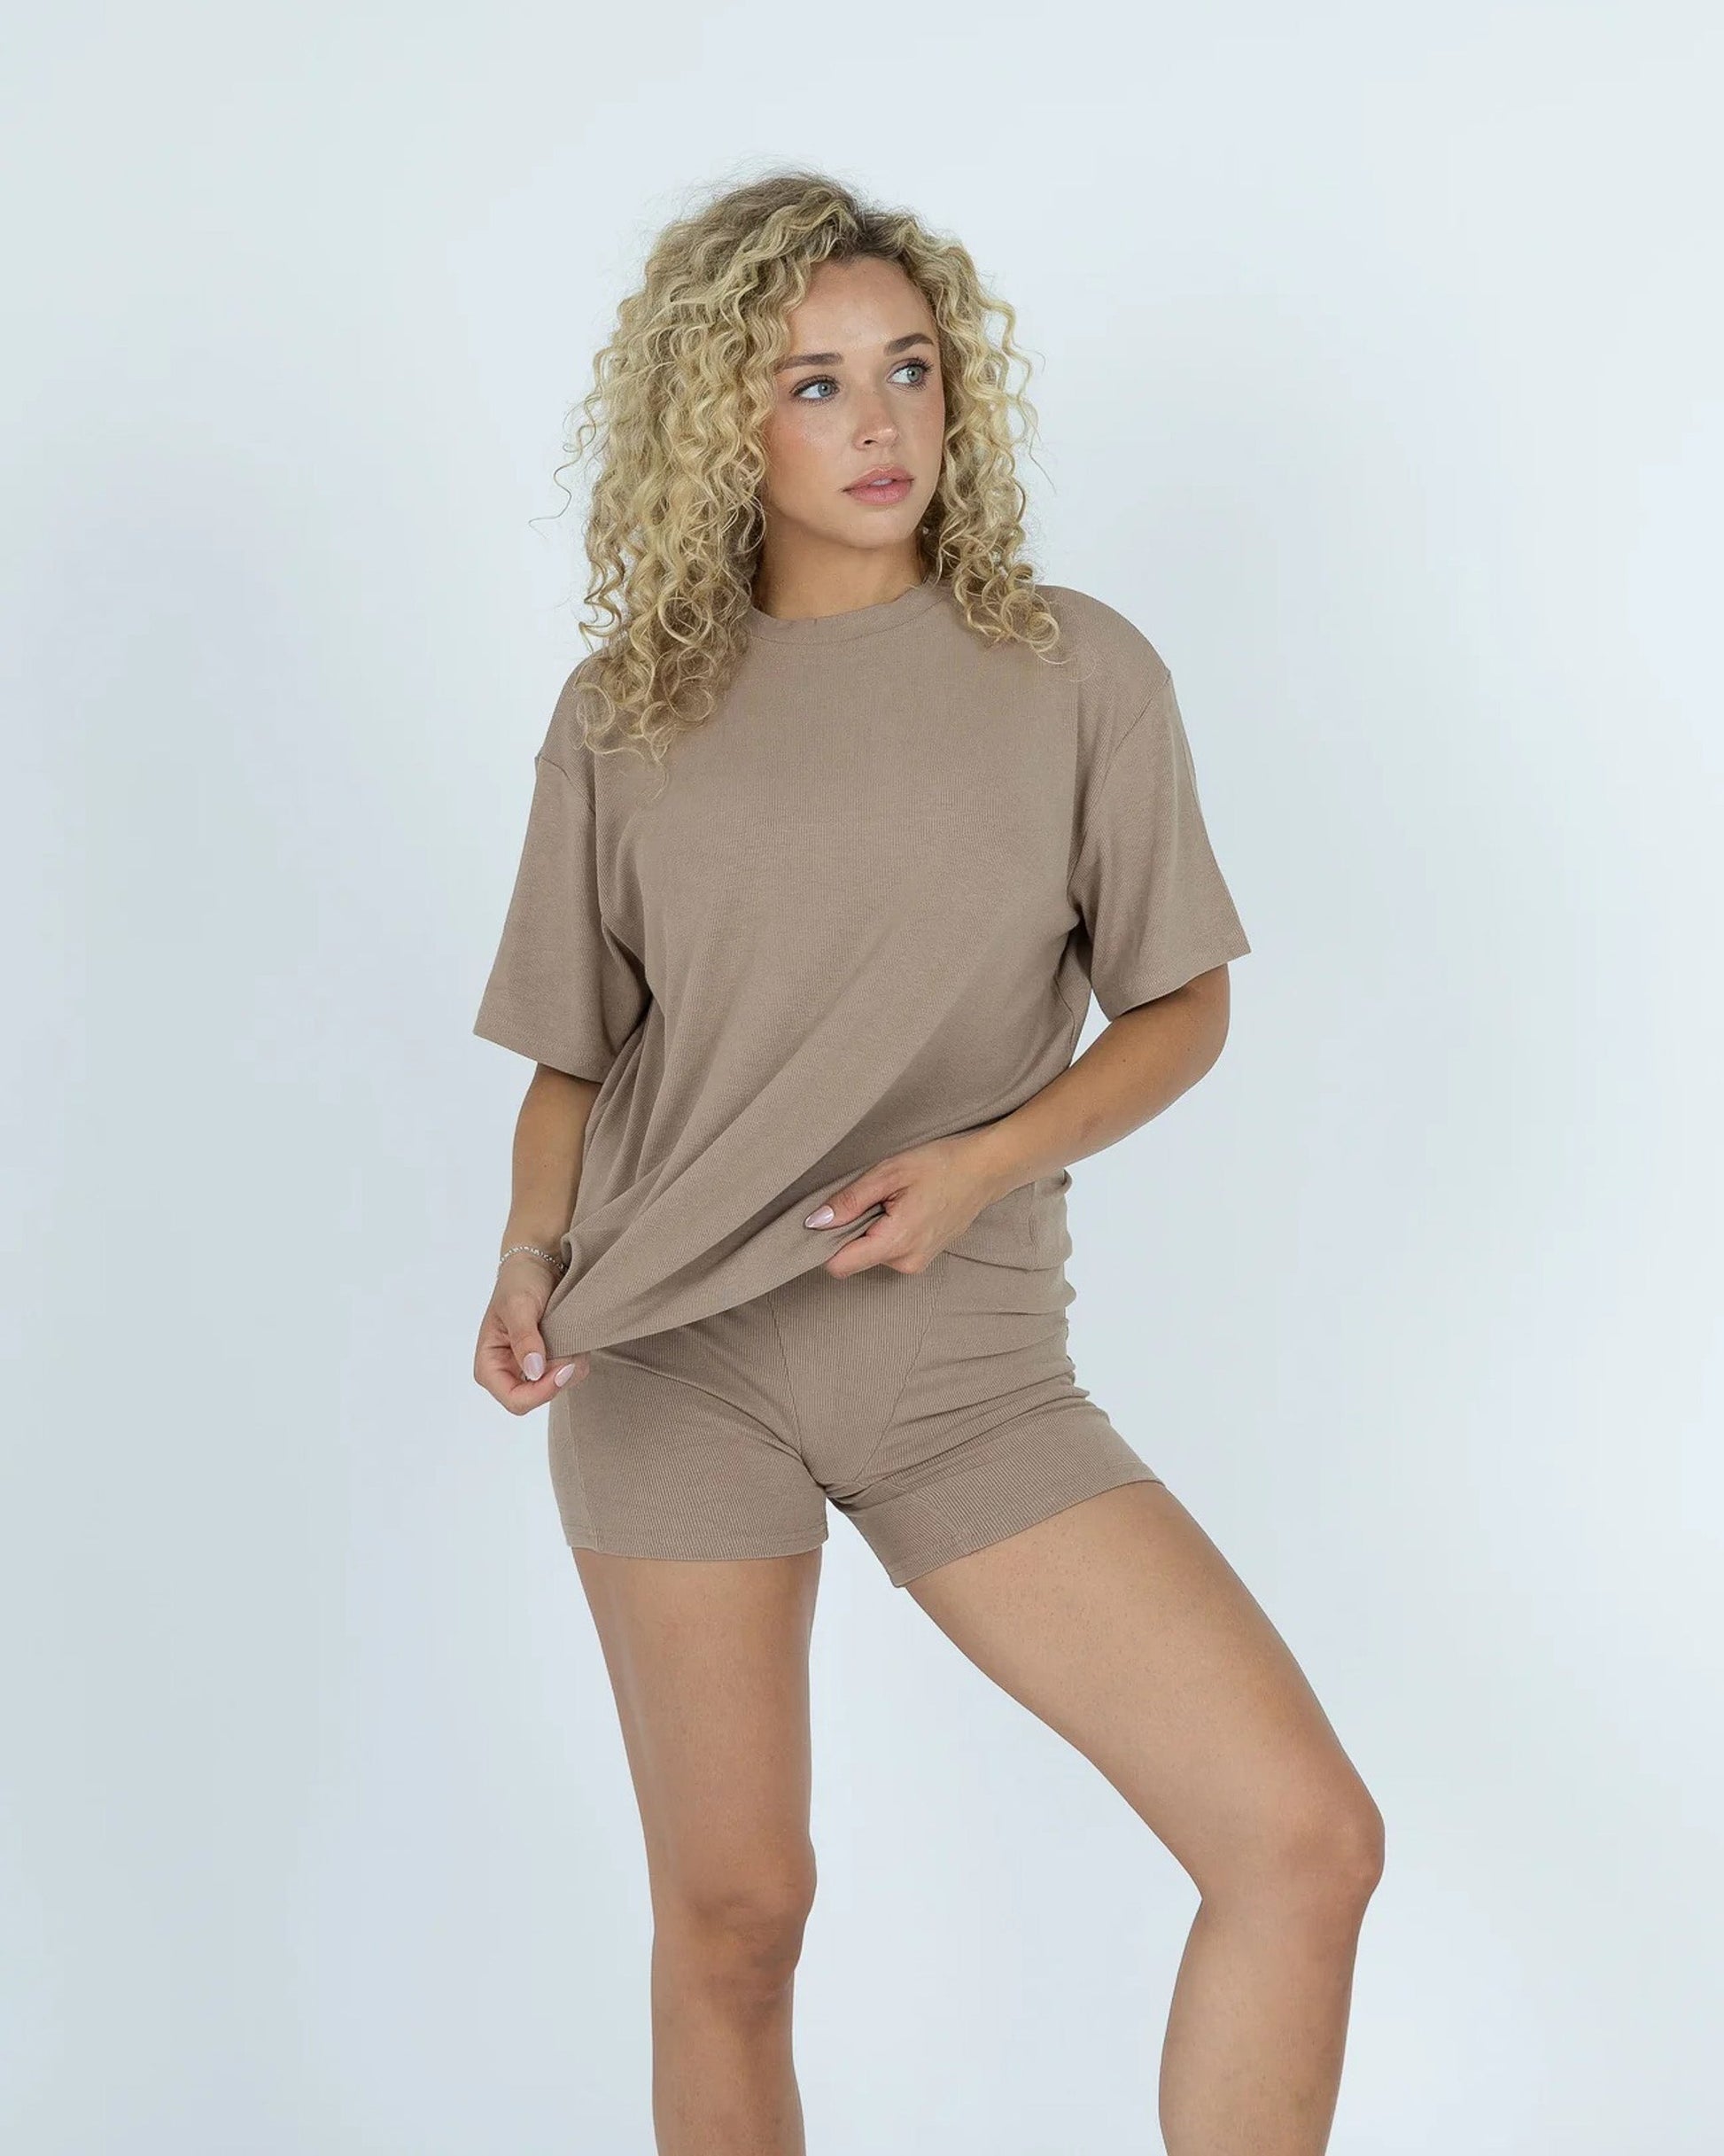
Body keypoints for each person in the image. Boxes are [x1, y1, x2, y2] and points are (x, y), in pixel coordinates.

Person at [470, 168, 1384, 2156]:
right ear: (721, 419)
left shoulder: (1075, 670)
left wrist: (983, 1163)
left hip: (960, 1363)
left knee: (1299, 1837)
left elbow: (1181, 1007)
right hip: (673, 1363)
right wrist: (530, 1252)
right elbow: (573, 1060)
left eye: (908, 368)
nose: (878, 422)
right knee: (736, 1920)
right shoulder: (624, 713)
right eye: (812, 383)